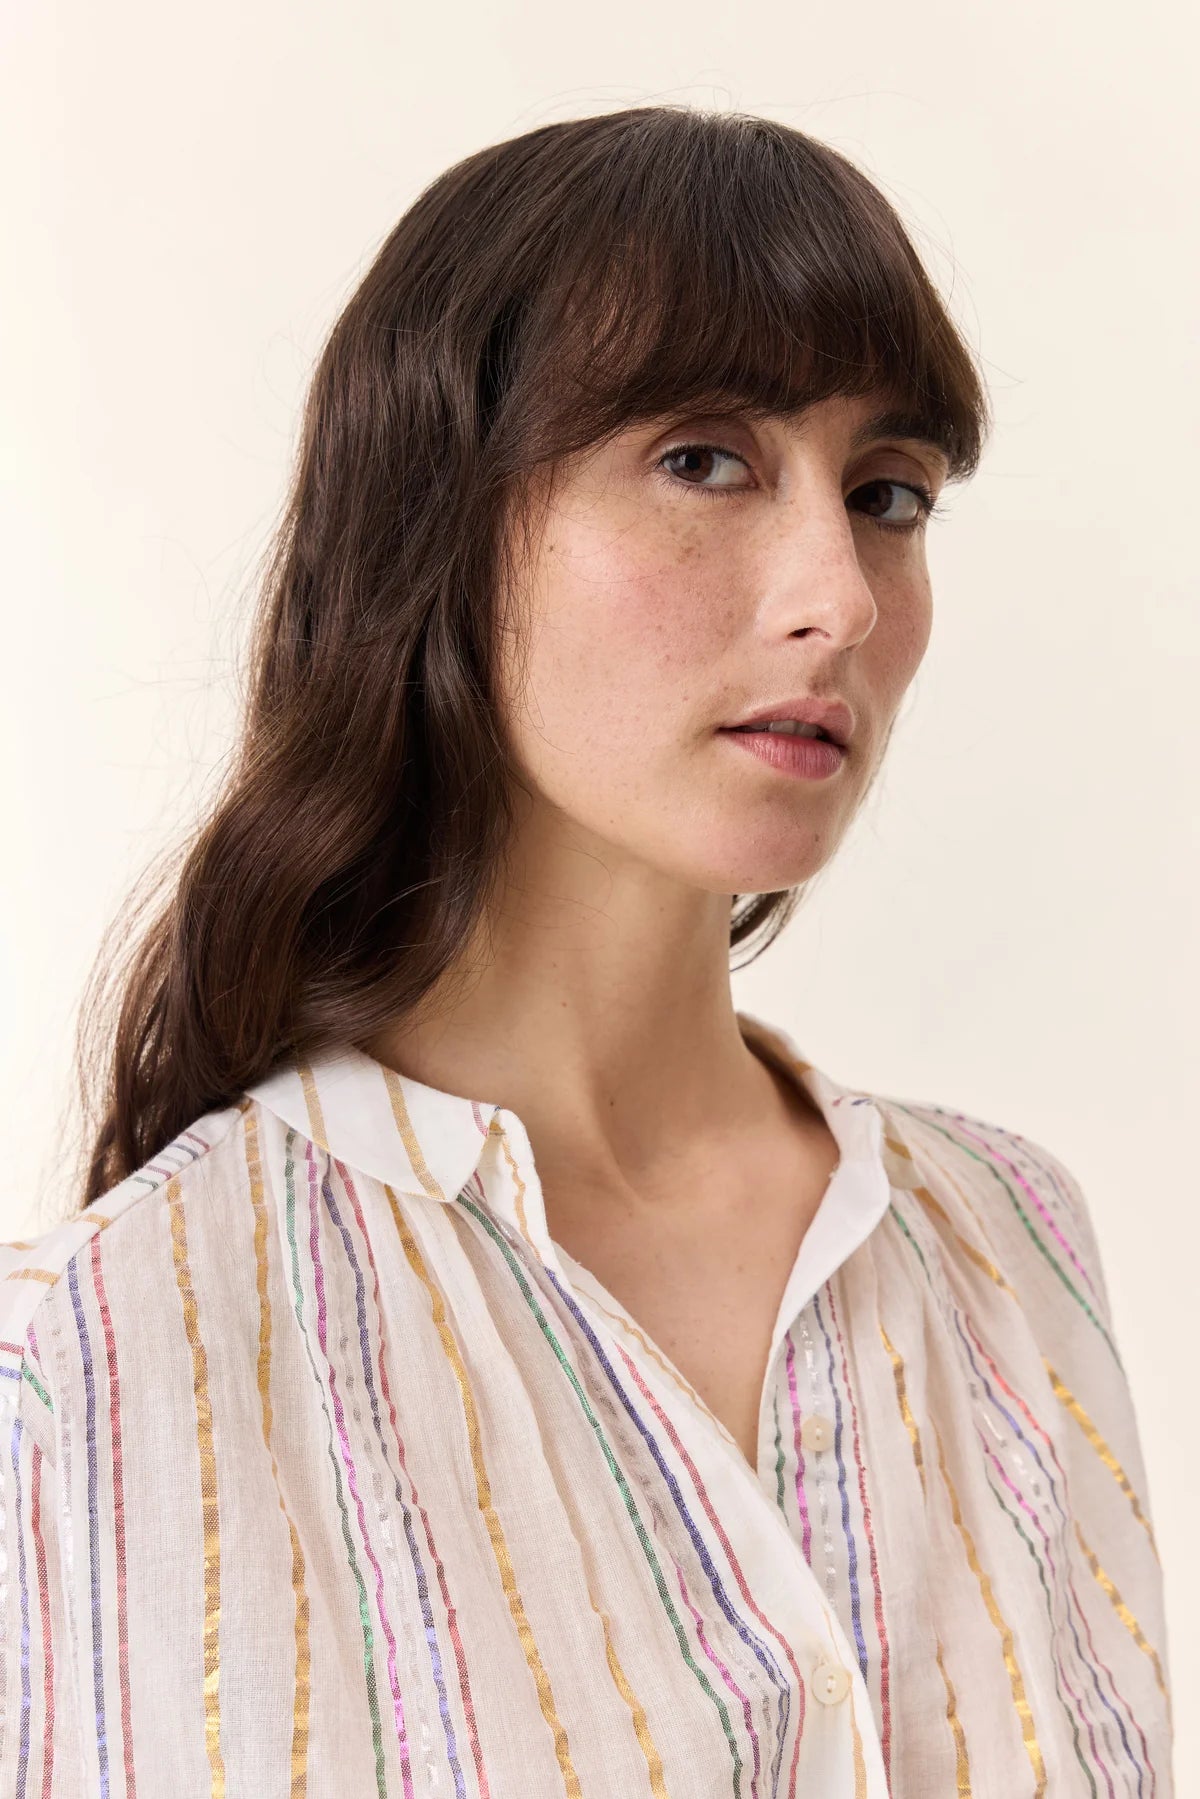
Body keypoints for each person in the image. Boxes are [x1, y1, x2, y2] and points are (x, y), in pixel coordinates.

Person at [0, 103, 1171, 1797]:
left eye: (889, 493)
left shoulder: (1012, 1251)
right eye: (704, 461)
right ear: (436, 523)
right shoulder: (96, 1363)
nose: (837, 594)